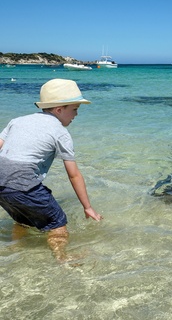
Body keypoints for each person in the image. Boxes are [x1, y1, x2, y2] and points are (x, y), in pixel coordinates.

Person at [0, 78, 103, 262]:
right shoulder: (60, 132)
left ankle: (15, 248)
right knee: (58, 221)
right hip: (23, 181)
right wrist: (88, 207)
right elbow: (74, 174)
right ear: (59, 109)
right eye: (75, 110)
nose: (76, 115)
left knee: (22, 219)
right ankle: (62, 258)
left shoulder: (18, 121)